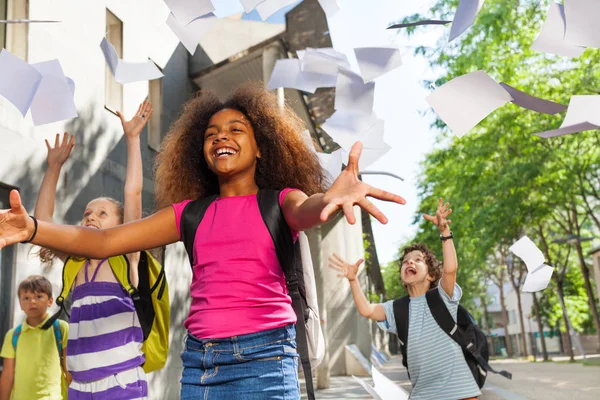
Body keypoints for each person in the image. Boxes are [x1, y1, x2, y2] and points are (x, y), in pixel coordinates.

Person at [0, 83, 405, 399]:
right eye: (211, 133)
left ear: (262, 147)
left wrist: (330, 199)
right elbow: (105, 242)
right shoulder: (189, 213)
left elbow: (309, 209)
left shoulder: (280, 202)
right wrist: (31, 227)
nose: (220, 137)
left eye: (235, 129)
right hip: (200, 363)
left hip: (266, 360)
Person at [32, 101, 153, 399]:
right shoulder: (75, 261)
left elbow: (132, 193)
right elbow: (42, 224)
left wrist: (134, 139)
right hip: (80, 387)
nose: (90, 217)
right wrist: (54, 167)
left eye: (101, 214)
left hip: (121, 383)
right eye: (88, 213)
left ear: (121, 224)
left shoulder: (126, 255)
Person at [328, 198, 481, 400]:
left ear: (431, 275)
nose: (410, 262)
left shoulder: (443, 295)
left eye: (418, 260)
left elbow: (451, 269)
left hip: (460, 392)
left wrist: (445, 233)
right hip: (423, 395)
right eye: (406, 261)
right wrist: (353, 279)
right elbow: (366, 309)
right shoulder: (396, 308)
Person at [0, 275, 69, 400]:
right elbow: (7, 375)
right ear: (20, 304)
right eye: (26, 298)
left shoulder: (61, 328)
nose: (32, 302)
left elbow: (69, 369)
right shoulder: (13, 335)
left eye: (38, 297)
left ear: (50, 301)